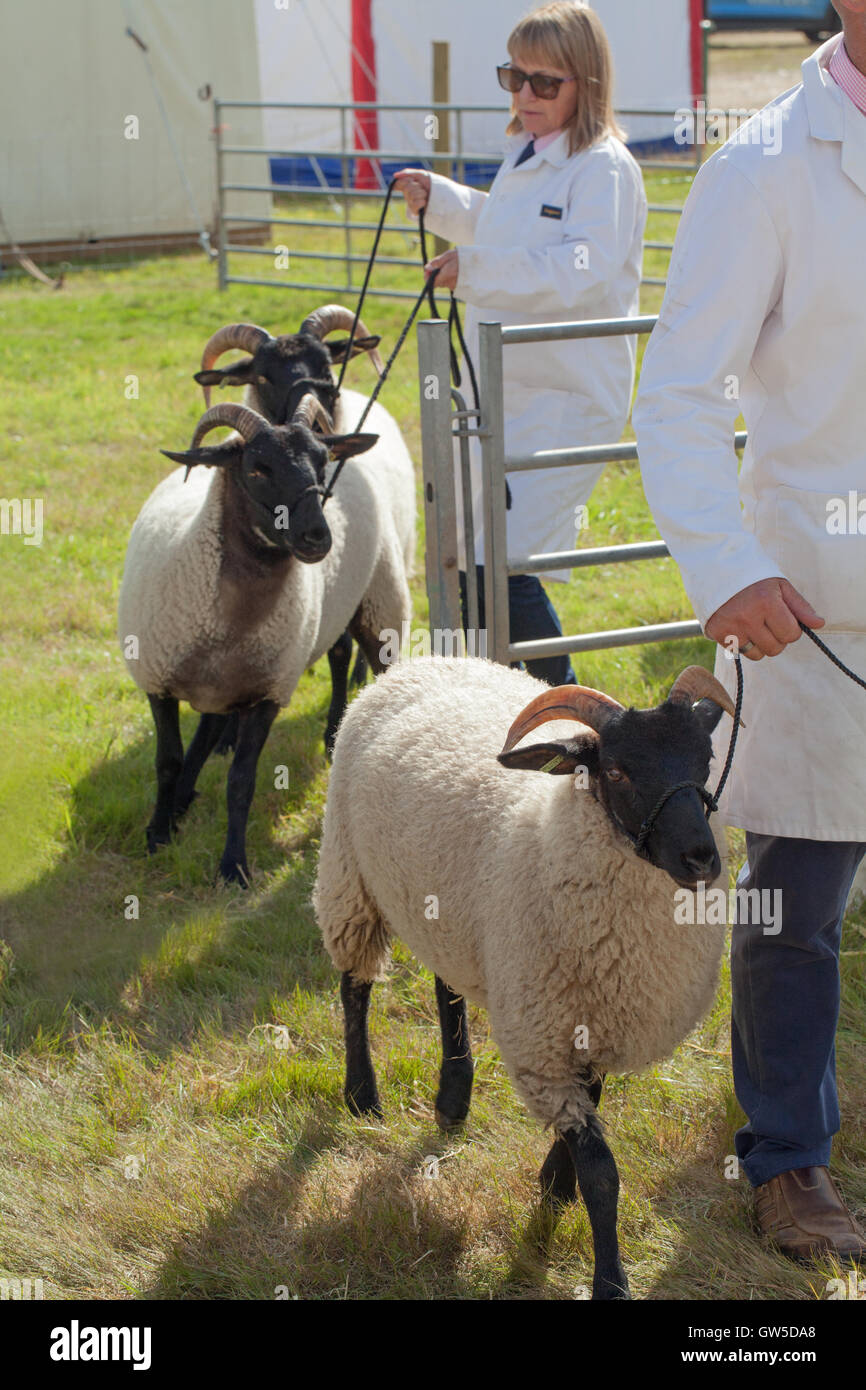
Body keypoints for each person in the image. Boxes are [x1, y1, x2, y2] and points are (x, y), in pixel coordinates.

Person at [634, 2, 866, 1262]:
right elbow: (676, 392)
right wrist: (725, 569)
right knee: (796, 899)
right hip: (815, 608)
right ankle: (785, 1156)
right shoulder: (766, 169)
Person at [395, 0, 646, 685]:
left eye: (545, 82)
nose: (526, 95)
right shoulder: (528, 154)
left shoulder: (604, 169)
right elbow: (507, 231)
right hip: (501, 387)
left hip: (563, 395)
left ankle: (563, 713)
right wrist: (442, 201)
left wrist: (473, 270)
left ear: (586, 84)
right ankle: (495, 704)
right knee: (475, 559)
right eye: (515, 77)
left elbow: (579, 271)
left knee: (504, 565)